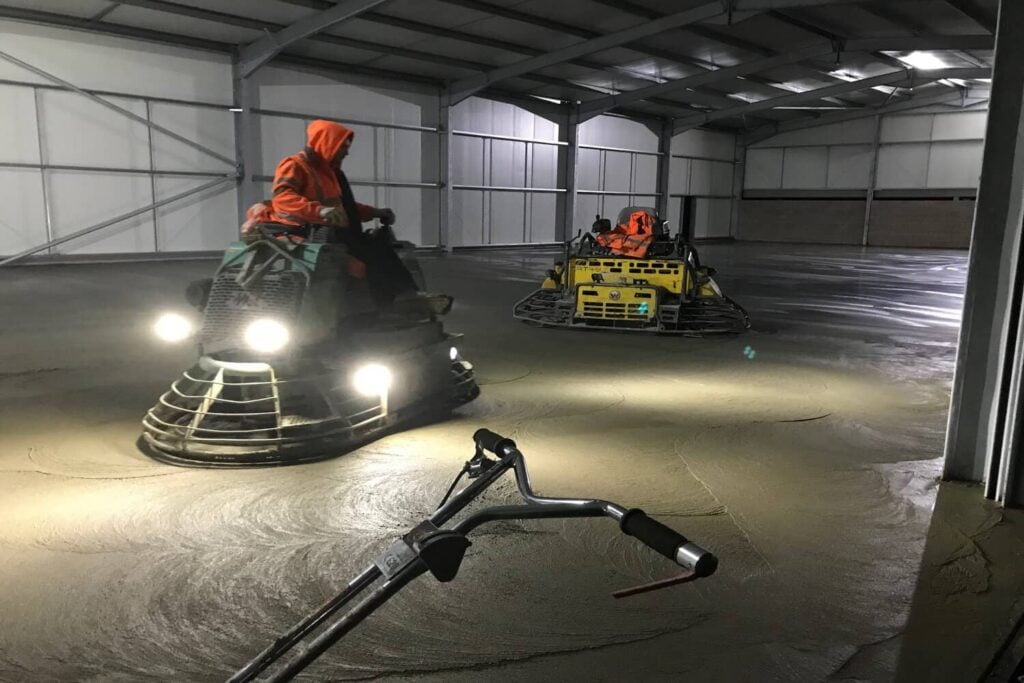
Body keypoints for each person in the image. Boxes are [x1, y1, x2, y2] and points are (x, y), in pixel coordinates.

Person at [260, 119, 426, 310]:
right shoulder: (295, 165)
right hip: (303, 232)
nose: (346, 152)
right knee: (371, 253)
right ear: (327, 142)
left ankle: (399, 298)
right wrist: (319, 211)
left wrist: (374, 212)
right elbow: (283, 198)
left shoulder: (330, 173)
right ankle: (395, 300)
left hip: (328, 230)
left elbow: (344, 206)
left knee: (379, 245)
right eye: (343, 147)